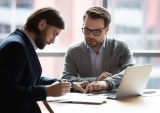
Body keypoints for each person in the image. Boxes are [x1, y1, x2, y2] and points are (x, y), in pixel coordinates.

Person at [0, 7, 71, 113]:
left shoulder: (22, 42)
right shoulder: (16, 46)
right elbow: (7, 91)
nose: (53, 41)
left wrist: (65, 84)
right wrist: (47, 91)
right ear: (42, 24)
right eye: (54, 34)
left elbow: (29, 78)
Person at [62, 6, 135, 93]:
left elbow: (131, 73)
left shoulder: (121, 47)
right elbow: (67, 79)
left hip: (115, 99)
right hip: (85, 99)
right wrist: (96, 80)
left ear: (106, 30)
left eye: (97, 31)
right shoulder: (73, 51)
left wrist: (106, 83)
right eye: (86, 30)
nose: (90, 36)